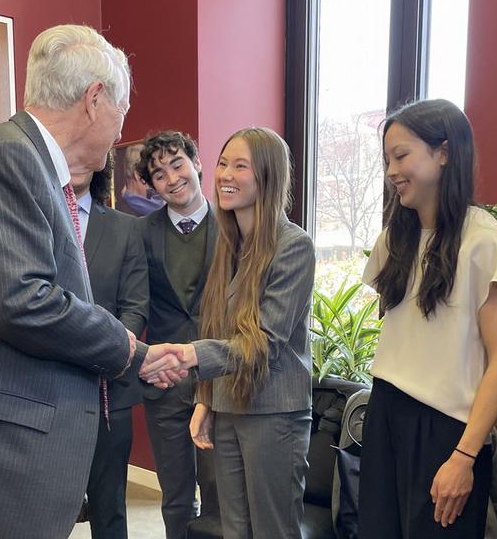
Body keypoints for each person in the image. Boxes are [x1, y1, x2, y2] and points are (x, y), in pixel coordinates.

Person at [0, 24, 178, 539]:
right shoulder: (8, 156)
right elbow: (20, 300)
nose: (117, 133)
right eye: (120, 113)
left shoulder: (20, 158)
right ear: (94, 99)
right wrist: (128, 348)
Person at [141, 127, 316, 539]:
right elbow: (218, 326)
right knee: (234, 530)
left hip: (274, 413)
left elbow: (265, 341)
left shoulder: (293, 245)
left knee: (272, 531)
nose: (225, 175)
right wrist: (206, 400)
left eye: (240, 166)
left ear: (267, 176)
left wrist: (190, 355)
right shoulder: (229, 246)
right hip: (228, 408)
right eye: (223, 163)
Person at [357, 99, 497, 538]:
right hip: (386, 411)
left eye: (401, 155)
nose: (392, 171)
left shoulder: (483, 239)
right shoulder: (393, 240)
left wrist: (465, 456)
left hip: (447, 430)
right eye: (387, 159)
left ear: (444, 153)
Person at [134, 131, 218, 539]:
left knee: (221, 495)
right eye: (159, 174)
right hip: (166, 380)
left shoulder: (236, 227)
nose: (171, 178)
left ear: (197, 163)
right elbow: (133, 303)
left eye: (177, 164)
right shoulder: (140, 233)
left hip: (220, 379)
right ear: (153, 187)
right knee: (176, 496)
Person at [71, 155, 149, 538]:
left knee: (109, 510)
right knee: (40, 510)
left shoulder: (125, 229)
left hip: (110, 389)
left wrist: (106, 353)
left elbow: (135, 308)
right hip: (44, 392)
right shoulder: (32, 223)